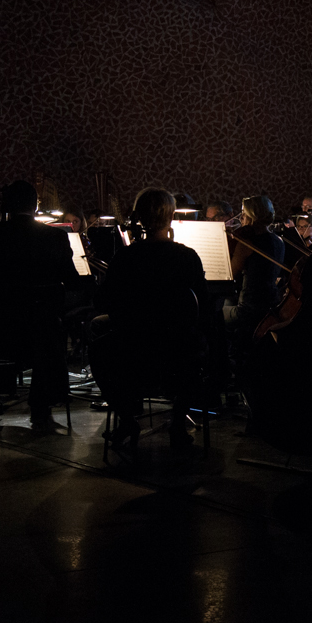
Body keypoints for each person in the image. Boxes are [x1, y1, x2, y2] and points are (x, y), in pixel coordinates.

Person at [91, 188, 210, 450]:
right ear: (171, 217)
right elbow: (203, 306)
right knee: (200, 344)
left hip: (132, 352)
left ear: (139, 218)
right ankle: (178, 423)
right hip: (179, 352)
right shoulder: (187, 256)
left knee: (98, 348)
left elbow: (104, 301)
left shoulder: (126, 256)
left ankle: (126, 418)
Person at [0, 181, 78, 428]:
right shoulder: (55, 236)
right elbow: (72, 280)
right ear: (35, 206)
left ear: (7, 206)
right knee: (51, 327)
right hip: (42, 333)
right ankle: (40, 404)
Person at [223, 195, 287, 374]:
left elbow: (230, 274)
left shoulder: (247, 243)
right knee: (227, 300)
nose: (241, 219)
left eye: (243, 215)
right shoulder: (279, 241)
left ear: (251, 217)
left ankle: (225, 368)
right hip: (271, 305)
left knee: (214, 313)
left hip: (249, 310)